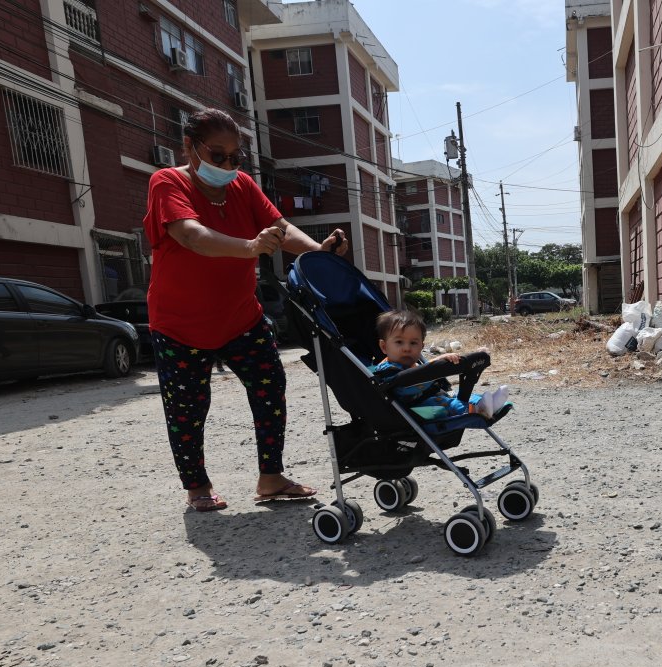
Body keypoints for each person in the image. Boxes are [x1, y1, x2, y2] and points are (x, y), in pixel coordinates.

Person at [143, 108, 350, 512]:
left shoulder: (242, 186)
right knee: (187, 409)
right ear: (189, 146)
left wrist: (318, 253)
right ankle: (197, 487)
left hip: (241, 318)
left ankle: (271, 478)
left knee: (270, 387)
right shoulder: (166, 182)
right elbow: (191, 235)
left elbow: (281, 229)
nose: (227, 165)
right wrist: (250, 247)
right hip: (179, 325)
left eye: (235, 157)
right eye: (217, 155)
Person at [373, 310, 508, 419]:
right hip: (416, 409)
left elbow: (423, 373)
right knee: (450, 405)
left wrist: (442, 360)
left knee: (456, 396)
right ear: (384, 347)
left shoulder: (412, 364)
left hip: (431, 397)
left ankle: (489, 403)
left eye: (413, 343)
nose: (407, 348)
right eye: (399, 342)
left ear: (421, 347)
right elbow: (410, 384)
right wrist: (438, 363)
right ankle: (480, 410)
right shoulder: (387, 370)